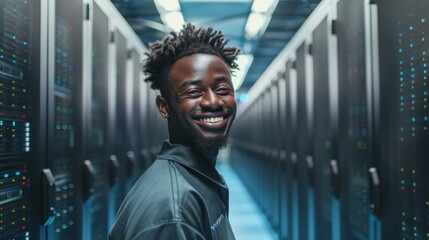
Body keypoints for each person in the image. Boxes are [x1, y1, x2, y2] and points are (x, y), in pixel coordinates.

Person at [109, 23, 240, 240]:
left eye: (223, 90)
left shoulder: (197, 179)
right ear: (164, 106)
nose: (213, 101)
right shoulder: (173, 210)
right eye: (194, 92)